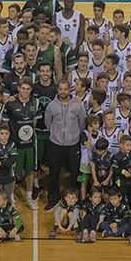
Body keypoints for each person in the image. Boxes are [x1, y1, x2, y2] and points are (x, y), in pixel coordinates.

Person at [43, 79, 86, 211]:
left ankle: (74, 201)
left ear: (70, 89)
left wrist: (73, 136)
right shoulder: (51, 106)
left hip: (73, 145)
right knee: (54, 173)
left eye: (65, 89)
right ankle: (53, 199)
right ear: (57, 90)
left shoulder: (78, 105)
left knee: (74, 174)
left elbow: (82, 123)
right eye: (60, 89)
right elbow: (48, 123)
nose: (63, 92)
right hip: (56, 144)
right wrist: (56, 135)